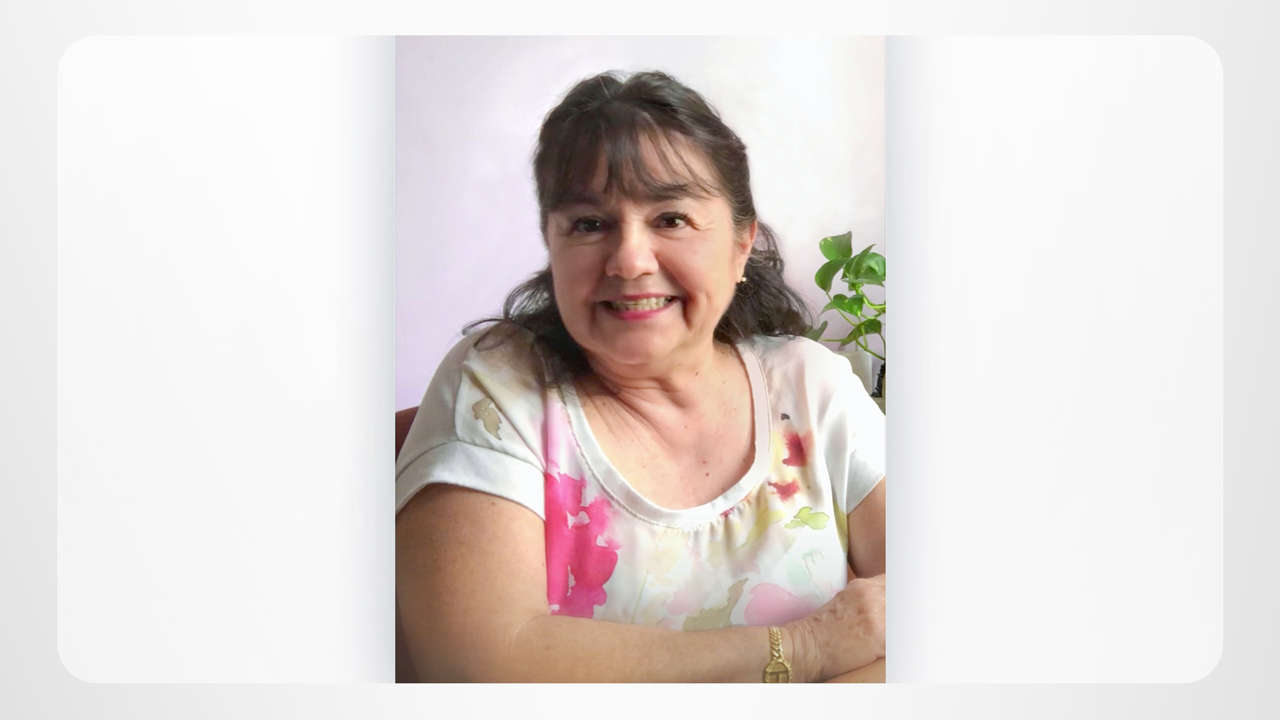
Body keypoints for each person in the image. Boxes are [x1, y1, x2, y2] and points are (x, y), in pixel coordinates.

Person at [395, 70, 886, 682]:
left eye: (671, 218)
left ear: (742, 244)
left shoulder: (811, 386)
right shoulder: (496, 388)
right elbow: (480, 665)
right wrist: (805, 648)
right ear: (552, 246)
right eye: (589, 224)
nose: (629, 260)